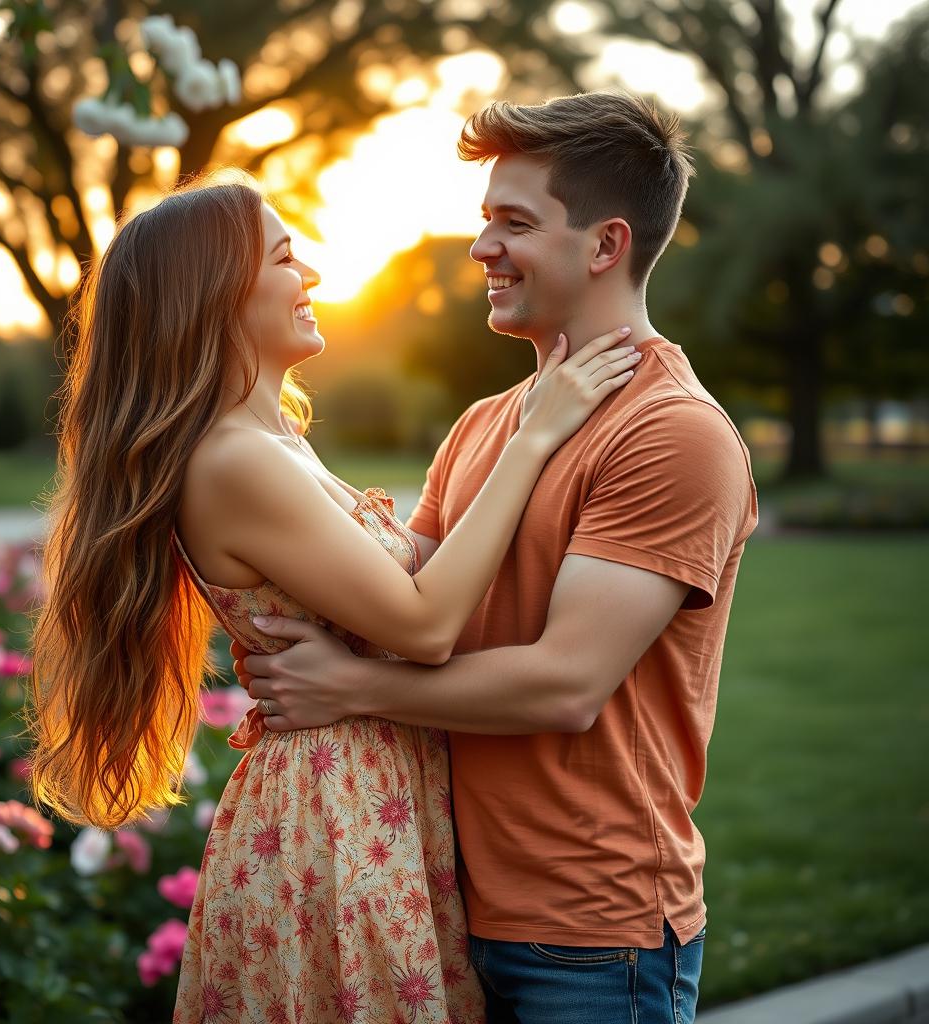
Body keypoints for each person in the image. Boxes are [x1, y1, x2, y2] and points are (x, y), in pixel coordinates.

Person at [23, 168, 640, 1023]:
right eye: (284, 257)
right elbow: (424, 624)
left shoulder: (275, 443)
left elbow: (410, 581)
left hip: (361, 796)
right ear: (215, 295)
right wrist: (535, 437)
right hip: (332, 817)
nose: (311, 275)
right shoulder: (237, 462)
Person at [232, 92, 760, 1024]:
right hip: (446, 898)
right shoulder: (488, 425)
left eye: (514, 224)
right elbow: (407, 609)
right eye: (484, 221)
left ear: (605, 246)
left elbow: (564, 685)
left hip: (590, 937)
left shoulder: (672, 434)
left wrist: (350, 690)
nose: (482, 250)